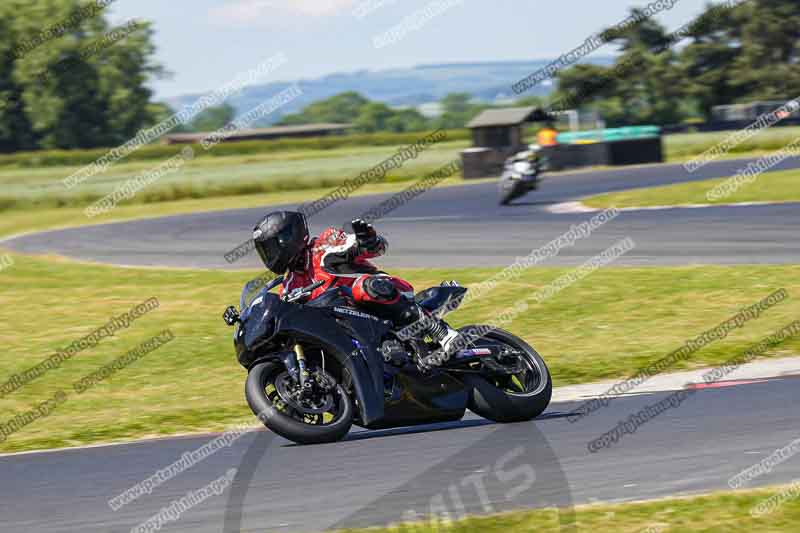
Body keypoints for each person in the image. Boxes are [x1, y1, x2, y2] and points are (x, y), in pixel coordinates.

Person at [251, 211, 460, 365]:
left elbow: (370, 248)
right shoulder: (288, 285)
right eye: (264, 251)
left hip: (382, 297)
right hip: (348, 327)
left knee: (363, 288)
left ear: (287, 238)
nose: (269, 256)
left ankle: (442, 332)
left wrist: (366, 241)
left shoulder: (324, 245)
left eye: (270, 248)